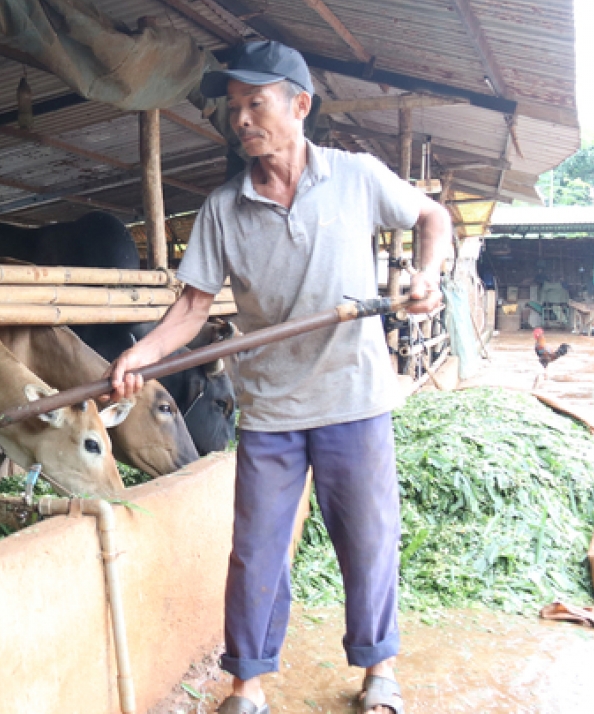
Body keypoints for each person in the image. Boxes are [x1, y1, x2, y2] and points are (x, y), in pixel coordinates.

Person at [107, 41, 452, 714]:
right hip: (269, 409)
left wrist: (427, 273)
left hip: (354, 397)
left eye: (254, 103)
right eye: (232, 107)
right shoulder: (221, 210)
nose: (240, 120)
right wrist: (140, 355)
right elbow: (191, 307)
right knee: (257, 550)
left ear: (299, 105)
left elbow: (431, 216)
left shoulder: (355, 176)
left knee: (367, 538)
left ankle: (379, 670)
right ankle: (249, 685)